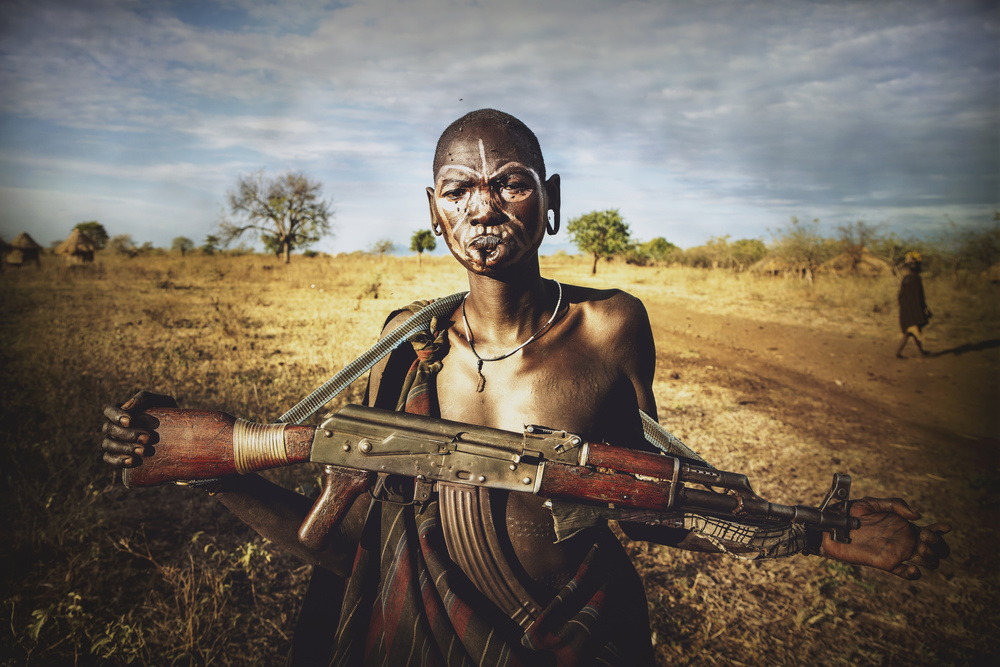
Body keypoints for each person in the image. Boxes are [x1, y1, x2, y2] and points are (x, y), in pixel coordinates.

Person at [102, 109, 950, 665]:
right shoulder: (407, 345)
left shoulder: (611, 327)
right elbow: (348, 542)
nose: (484, 206)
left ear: (549, 202)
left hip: (582, 634)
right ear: (434, 213)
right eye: (458, 189)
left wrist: (801, 534)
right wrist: (212, 466)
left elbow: (640, 496)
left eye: (509, 181)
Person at [896, 251, 932, 358]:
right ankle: (899, 353)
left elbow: (900, 296)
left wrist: (903, 307)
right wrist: (925, 309)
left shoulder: (905, 279)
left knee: (913, 331)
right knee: (911, 331)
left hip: (906, 310)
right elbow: (921, 297)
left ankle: (921, 351)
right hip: (914, 310)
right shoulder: (917, 279)